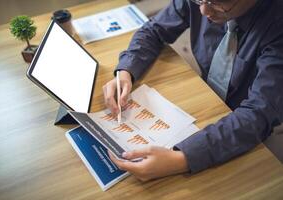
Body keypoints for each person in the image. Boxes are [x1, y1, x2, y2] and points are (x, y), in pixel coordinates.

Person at [103, 0, 283, 181]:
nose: (204, 11)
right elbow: (155, 29)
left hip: (248, 127)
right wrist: (126, 71)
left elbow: (259, 114)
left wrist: (181, 159)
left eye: (217, 4)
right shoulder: (202, 2)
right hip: (208, 102)